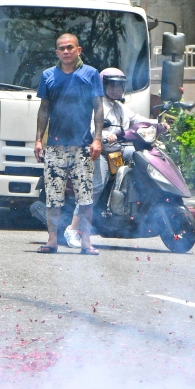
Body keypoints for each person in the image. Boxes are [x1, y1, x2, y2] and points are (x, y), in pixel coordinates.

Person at [33, 32, 103, 254]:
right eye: (62, 48)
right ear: (57, 52)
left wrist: (97, 139)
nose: (66, 51)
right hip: (55, 147)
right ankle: (52, 240)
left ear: (78, 50)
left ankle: (86, 242)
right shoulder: (48, 76)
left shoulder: (90, 74)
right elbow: (44, 109)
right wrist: (38, 139)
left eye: (70, 47)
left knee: (85, 197)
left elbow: (98, 107)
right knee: (53, 197)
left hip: (82, 147)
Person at [61, 67, 145, 248]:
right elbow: (92, 128)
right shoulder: (98, 105)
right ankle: (72, 229)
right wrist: (105, 135)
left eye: (119, 86)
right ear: (102, 85)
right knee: (95, 187)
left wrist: (158, 124)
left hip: (118, 151)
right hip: (100, 153)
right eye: (111, 85)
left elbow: (137, 119)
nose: (116, 89)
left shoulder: (120, 107)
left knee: (140, 157)